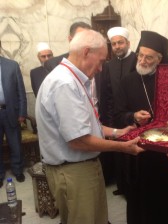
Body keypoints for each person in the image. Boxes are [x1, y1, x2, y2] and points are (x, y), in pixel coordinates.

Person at [35, 29, 143, 224]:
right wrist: (123, 147)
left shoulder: (73, 79)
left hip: (80, 169)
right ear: (86, 52)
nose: (102, 68)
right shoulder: (65, 84)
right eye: (101, 61)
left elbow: (87, 125)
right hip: (74, 172)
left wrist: (118, 132)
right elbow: (79, 140)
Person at [114, 31, 168, 224]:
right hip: (141, 154)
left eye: (148, 57)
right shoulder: (127, 82)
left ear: (160, 59)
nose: (142, 60)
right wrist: (133, 117)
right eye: (140, 55)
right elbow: (117, 115)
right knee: (143, 205)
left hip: (167, 156)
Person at [98, 26, 137, 193]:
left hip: (133, 116)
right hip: (115, 117)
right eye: (114, 44)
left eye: (120, 43)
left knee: (132, 153)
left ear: (128, 42)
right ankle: (122, 185)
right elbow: (107, 92)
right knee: (119, 153)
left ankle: (132, 188)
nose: (117, 47)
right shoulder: (109, 65)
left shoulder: (137, 59)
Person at [0, 55, 27, 188]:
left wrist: (22, 112)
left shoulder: (12, 65)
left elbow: (21, 91)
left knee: (15, 143)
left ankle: (18, 170)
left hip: (11, 112)